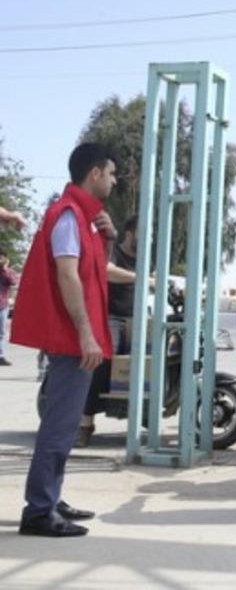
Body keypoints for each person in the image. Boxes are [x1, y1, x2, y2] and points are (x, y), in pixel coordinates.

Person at [12, 143, 117, 537]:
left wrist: (107, 238)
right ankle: (39, 511)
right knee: (59, 426)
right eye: (111, 173)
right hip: (72, 339)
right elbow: (67, 276)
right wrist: (87, 334)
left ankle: (50, 498)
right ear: (93, 173)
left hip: (74, 337)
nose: (114, 179)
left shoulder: (81, 219)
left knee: (64, 423)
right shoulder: (70, 217)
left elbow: (90, 273)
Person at [74, 217, 139, 448]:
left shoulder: (146, 257)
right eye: (143, 232)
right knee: (101, 363)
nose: (147, 238)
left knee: (147, 365)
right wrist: (141, 278)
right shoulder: (114, 252)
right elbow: (106, 270)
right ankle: (85, 424)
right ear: (130, 232)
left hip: (139, 319)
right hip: (112, 317)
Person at [0, 250, 19, 366]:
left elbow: (13, 282)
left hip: (3, 305)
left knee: (1, 332)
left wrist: (5, 269)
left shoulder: (7, 272)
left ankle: (0, 356)